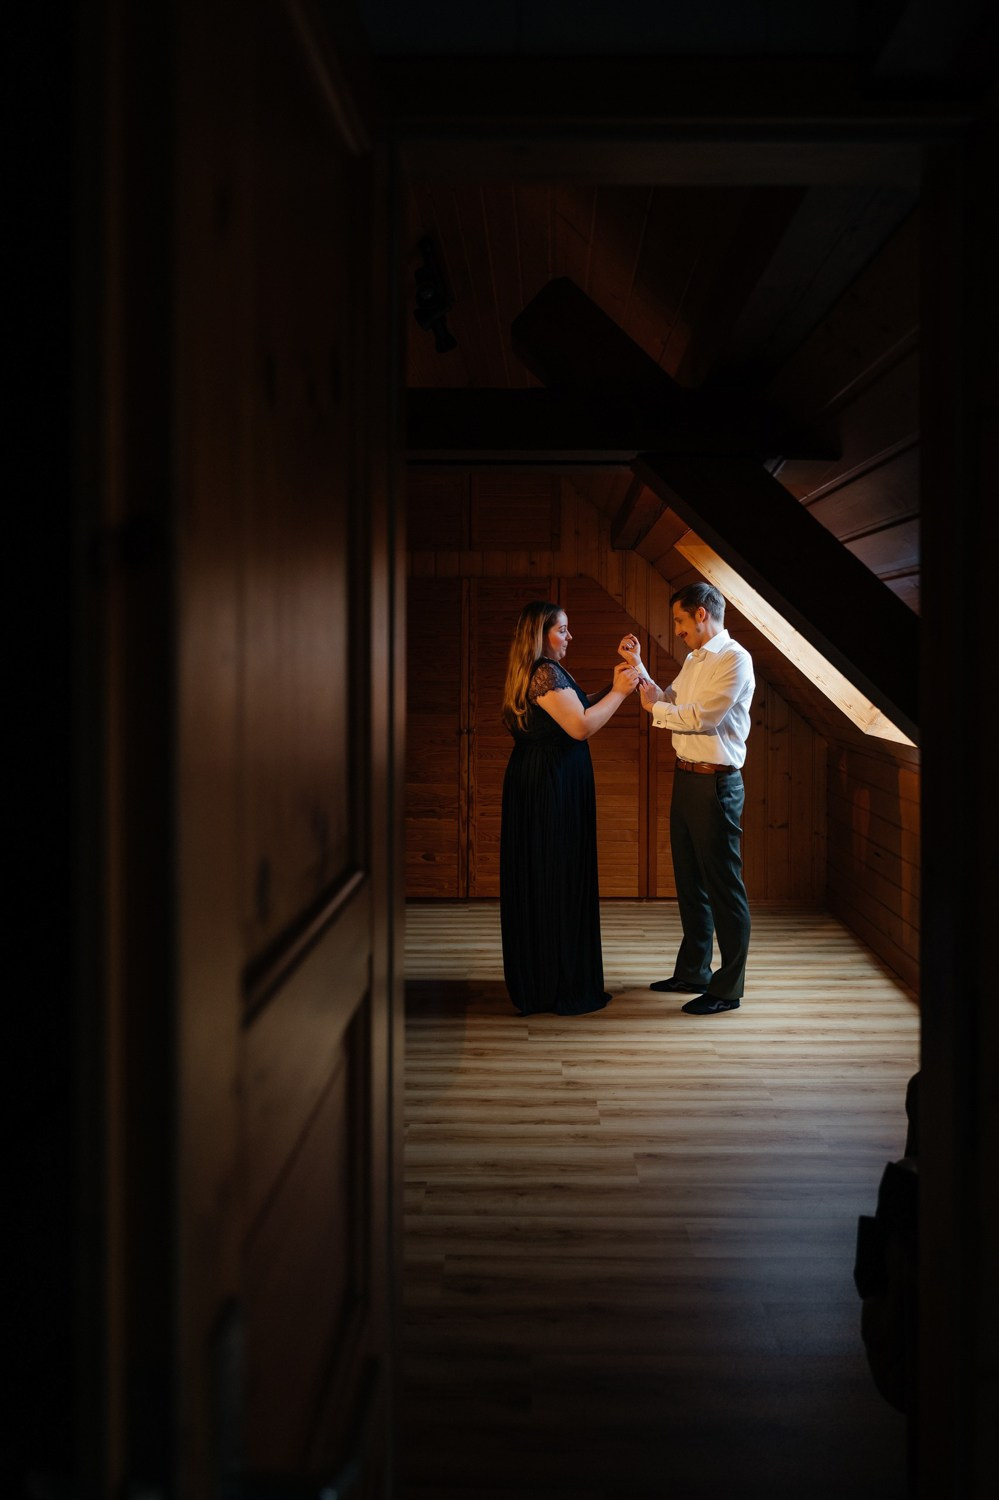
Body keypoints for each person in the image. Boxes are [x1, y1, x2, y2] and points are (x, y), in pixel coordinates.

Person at [619, 582, 754, 1015]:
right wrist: (640, 669)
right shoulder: (696, 659)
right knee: (689, 879)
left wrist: (658, 710)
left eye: (679, 620)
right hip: (686, 778)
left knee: (723, 887)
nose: (676, 629)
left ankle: (727, 987)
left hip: (717, 783)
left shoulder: (734, 659)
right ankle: (695, 970)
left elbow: (700, 718)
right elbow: (669, 701)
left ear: (701, 614)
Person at [500, 601, 639, 1015]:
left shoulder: (542, 671)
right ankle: (555, 981)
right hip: (550, 787)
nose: (569, 637)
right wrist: (618, 693)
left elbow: (573, 708)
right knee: (554, 875)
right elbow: (579, 726)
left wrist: (610, 688)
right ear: (541, 635)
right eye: (563, 630)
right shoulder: (544, 671)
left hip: (544, 781)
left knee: (546, 875)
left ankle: (545, 974)